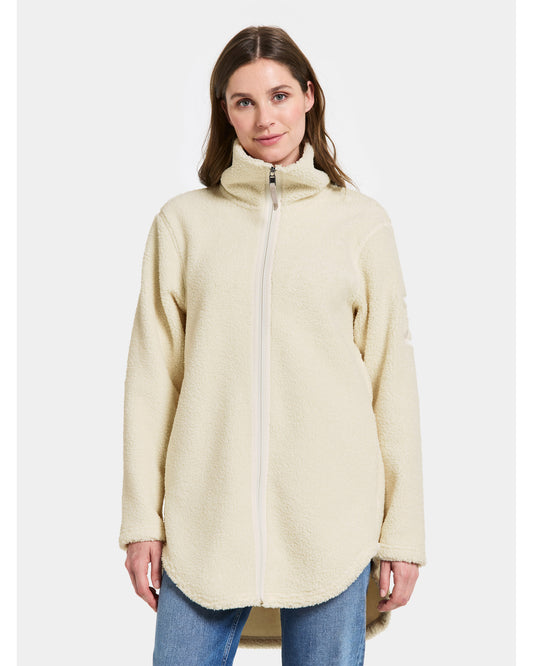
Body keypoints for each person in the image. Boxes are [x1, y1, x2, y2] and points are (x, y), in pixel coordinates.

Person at [119, 25, 427, 666]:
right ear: (224, 111)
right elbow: (152, 382)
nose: (265, 118)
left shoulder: (361, 225)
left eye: (280, 95)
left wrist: (403, 531)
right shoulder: (183, 224)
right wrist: (142, 521)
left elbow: (390, 382)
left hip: (332, 526)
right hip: (204, 525)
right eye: (245, 101)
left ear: (309, 97)